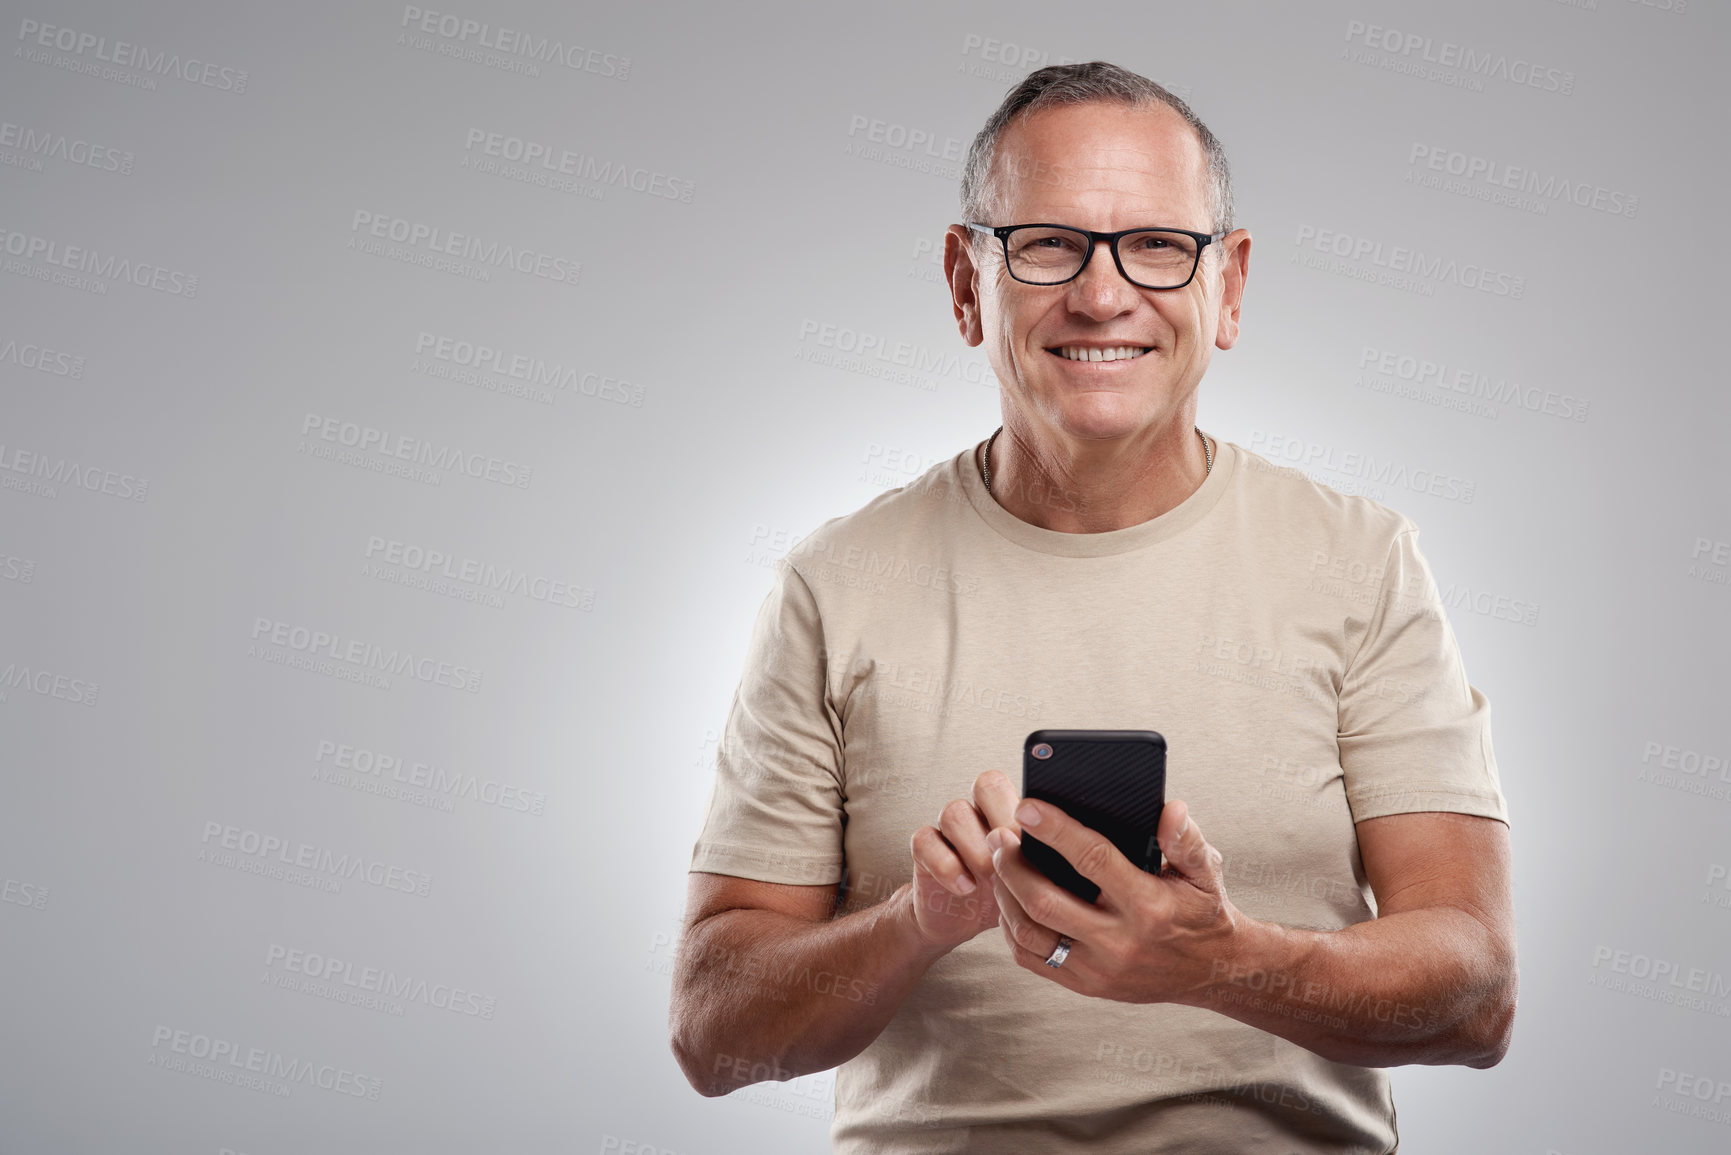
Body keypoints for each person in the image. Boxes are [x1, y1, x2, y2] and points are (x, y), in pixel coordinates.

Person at [669, 61, 1515, 1154]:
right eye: (1047, 243)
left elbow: (1477, 994)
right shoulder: (835, 585)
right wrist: (916, 923)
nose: (1103, 294)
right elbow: (711, 1030)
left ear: (1231, 287)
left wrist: (1221, 961)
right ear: (966, 284)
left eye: (1158, 245)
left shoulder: (1361, 563)